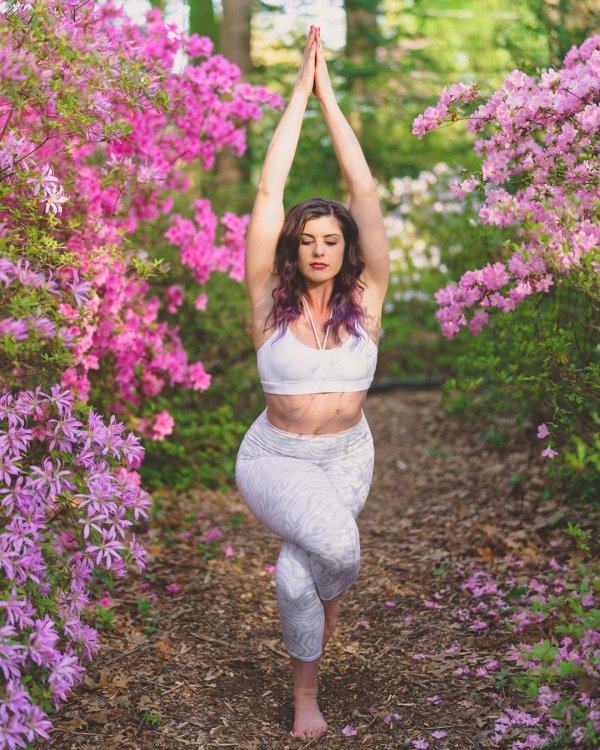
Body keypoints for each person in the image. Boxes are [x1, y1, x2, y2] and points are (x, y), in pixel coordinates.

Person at [234, 25, 390, 741]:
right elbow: (270, 187)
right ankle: (330, 597)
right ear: (294, 249)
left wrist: (333, 97)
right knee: (342, 552)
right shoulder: (270, 304)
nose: (321, 248)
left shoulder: (370, 302)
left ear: (346, 247)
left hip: (346, 454)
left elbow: (363, 186)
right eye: (309, 240)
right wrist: (299, 89)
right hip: (276, 457)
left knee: (299, 577)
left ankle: (306, 695)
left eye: (333, 239)